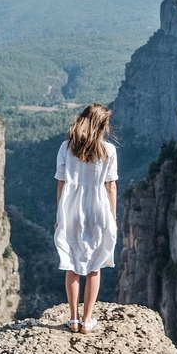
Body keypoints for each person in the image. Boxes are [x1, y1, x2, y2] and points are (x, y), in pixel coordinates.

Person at [54, 103, 118, 333]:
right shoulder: (108, 151)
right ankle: (87, 320)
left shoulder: (66, 147)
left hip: (71, 209)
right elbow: (110, 188)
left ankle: (72, 319)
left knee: (72, 264)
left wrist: (60, 215)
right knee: (94, 267)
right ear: (102, 125)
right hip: (98, 209)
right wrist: (113, 217)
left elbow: (61, 183)